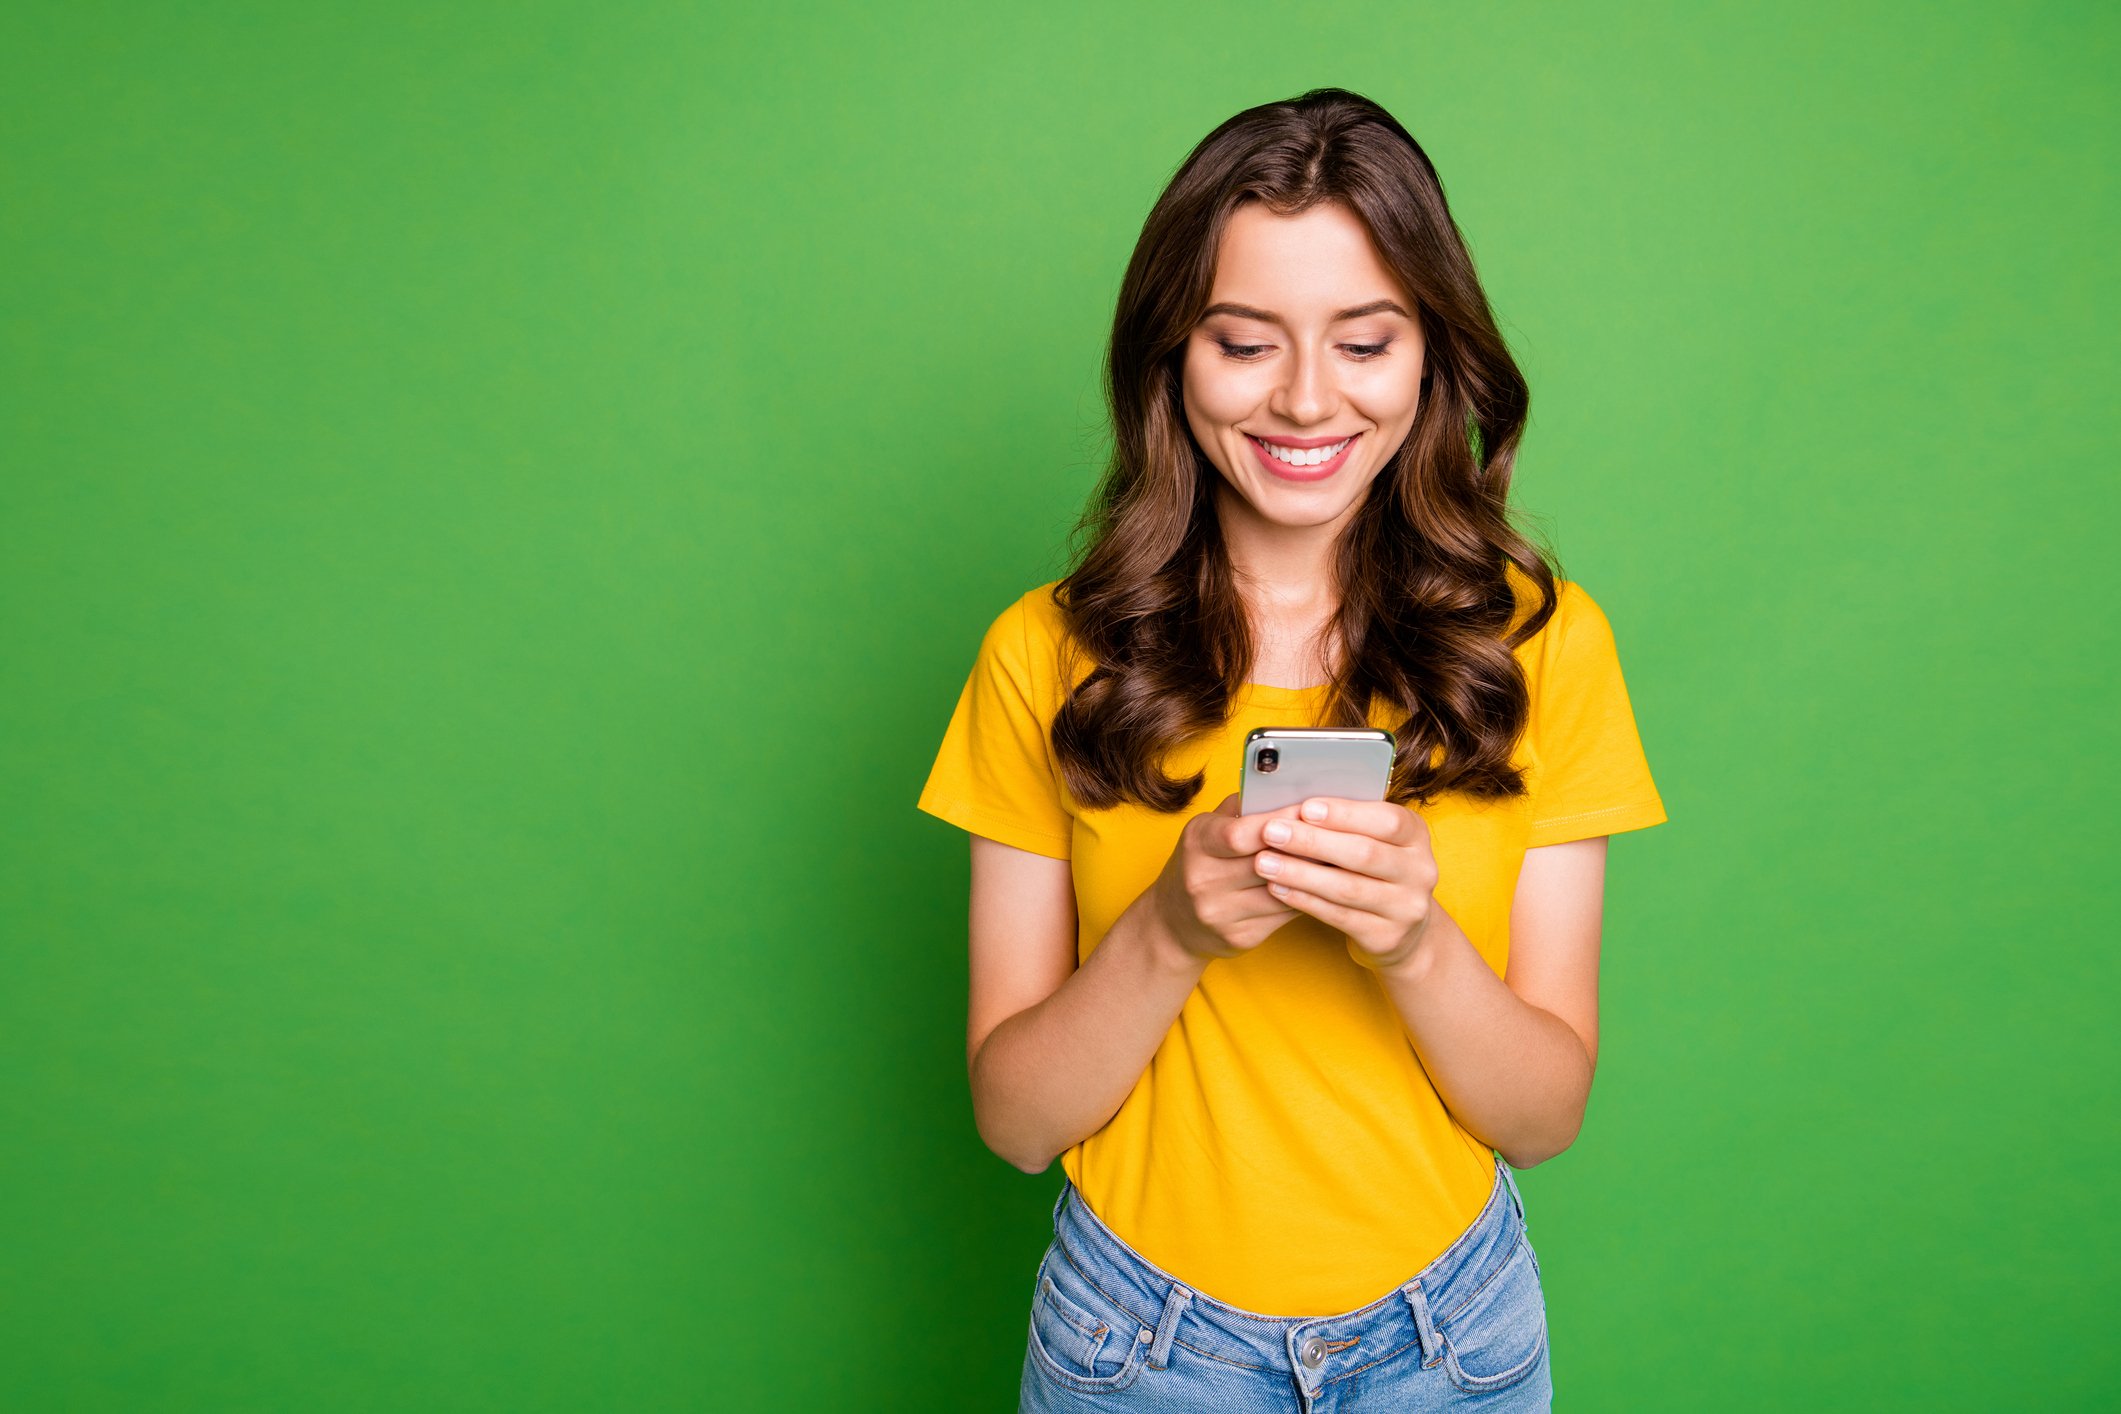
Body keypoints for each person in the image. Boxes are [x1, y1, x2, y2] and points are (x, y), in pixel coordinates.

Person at [916, 87, 1666, 1412]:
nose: (1306, 398)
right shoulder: (1041, 653)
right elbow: (1014, 1123)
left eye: (1364, 341)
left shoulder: (1541, 644)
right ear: (1171, 359)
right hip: (1132, 1347)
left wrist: (1412, 940)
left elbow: (1541, 1119)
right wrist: (1169, 929)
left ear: (1432, 354)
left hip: (1454, 1342)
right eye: (1244, 343)